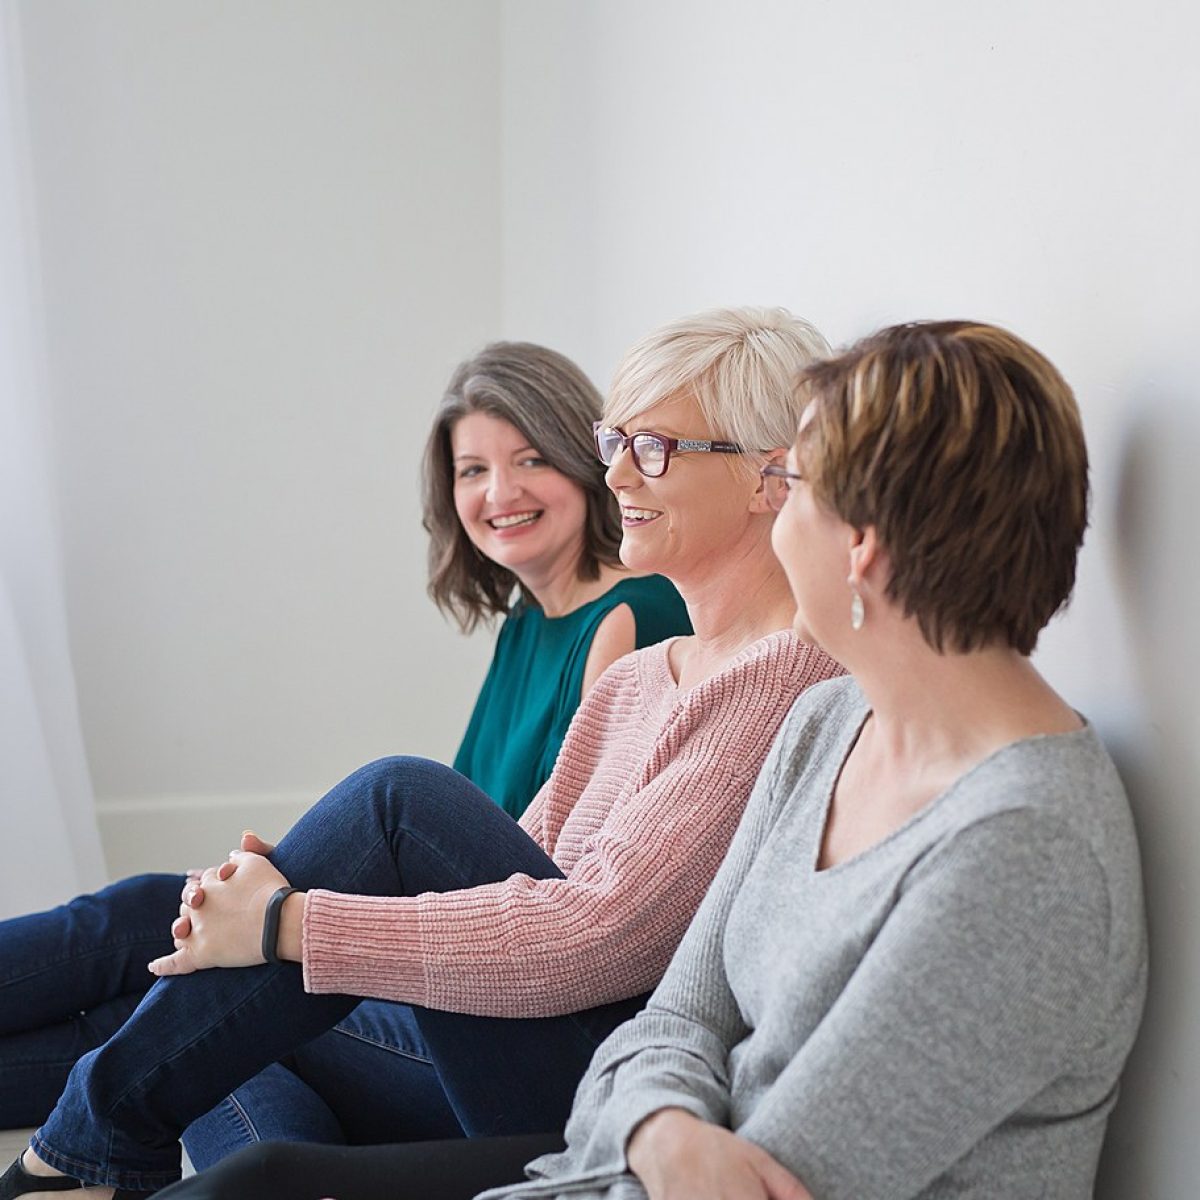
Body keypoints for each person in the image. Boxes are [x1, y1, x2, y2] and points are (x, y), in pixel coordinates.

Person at [151, 319, 1147, 1200]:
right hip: (625, 1154)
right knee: (246, 1121)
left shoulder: (1024, 850)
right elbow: (676, 1016)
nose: (774, 503)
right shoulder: (832, 722)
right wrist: (660, 1125)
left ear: (863, 548)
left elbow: (778, 1172)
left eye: (792, 483)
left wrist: (643, 1129)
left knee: (260, 1158)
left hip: (619, 1175)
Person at [0, 306, 843, 1199]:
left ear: (770, 478)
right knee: (230, 1017)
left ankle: (81, 1149)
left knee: (393, 808)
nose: (620, 473)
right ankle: (219, 1177)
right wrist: (285, 918)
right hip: (516, 1034)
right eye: (616, 441)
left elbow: (601, 939)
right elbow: (516, 871)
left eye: (658, 448)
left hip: (614, 1085)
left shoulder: (789, 679)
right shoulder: (636, 680)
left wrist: (295, 918)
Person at [426, 342, 691, 818]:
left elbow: (582, 855)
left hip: (542, 893)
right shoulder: (524, 622)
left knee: (391, 790)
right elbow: (459, 820)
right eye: (473, 470)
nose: (501, 493)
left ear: (586, 465)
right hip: (478, 891)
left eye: (532, 460)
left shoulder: (634, 616)